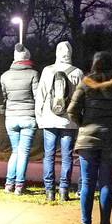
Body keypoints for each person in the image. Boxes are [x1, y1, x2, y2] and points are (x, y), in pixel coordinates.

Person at [67, 50, 112, 224]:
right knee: (106, 183)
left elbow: (72, 110)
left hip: (87, 139)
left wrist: (83, 124)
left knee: (87, 182)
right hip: (111, 138)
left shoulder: (86, 83)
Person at [36, 40, 83, 203]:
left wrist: (39, 117)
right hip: (69, 121)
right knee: (67, 156)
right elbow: (81, 98)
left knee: (48, 155)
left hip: (49, 119)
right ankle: (64, 190)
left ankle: (49, 190)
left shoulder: (47, 71)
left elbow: (40, 95)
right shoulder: (77, 72)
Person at [0, 44, 39, 194]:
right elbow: (37, 97)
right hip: (28, 117)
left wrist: (5, 112)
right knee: (23, 153)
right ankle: (19, 186)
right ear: (27, 58)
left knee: (15, 152)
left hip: (11, 118)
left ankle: (8, 184)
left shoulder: (4, 76)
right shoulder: (33, 74)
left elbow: (2, 98)